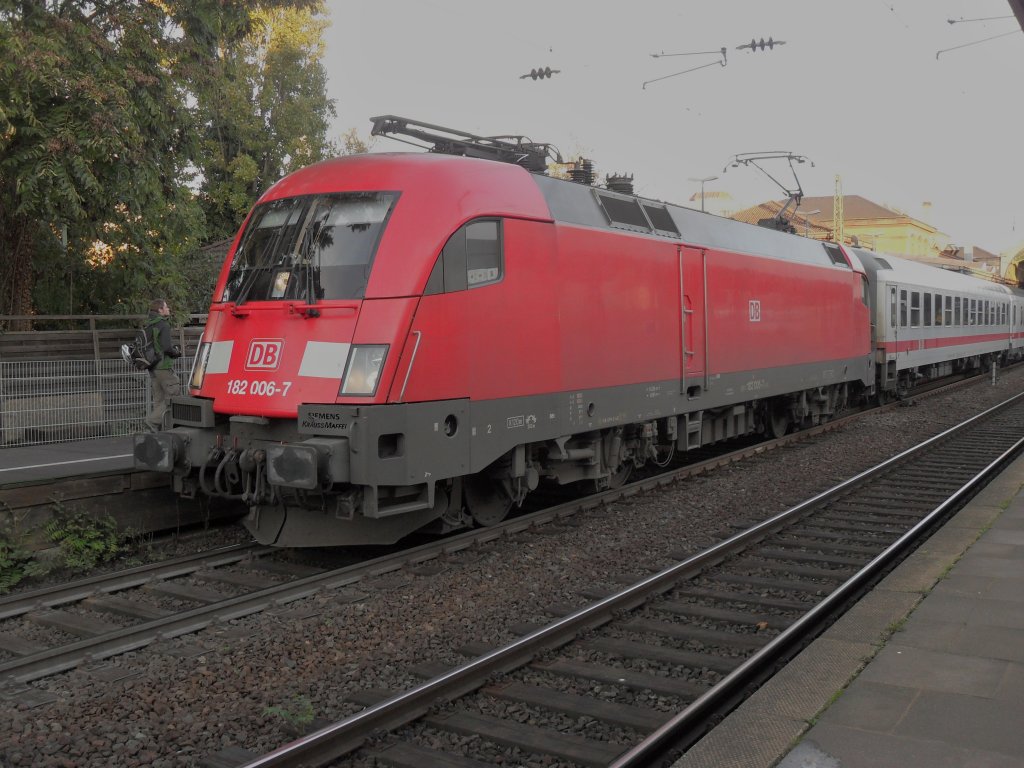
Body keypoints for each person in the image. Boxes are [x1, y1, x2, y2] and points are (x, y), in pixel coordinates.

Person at [144, 298, 182, 432]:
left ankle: (157, 433)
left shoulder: (148, 325)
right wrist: (177, 352)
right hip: (163, 367)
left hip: (152, 368)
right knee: (173, 398)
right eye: (166, 307)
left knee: (159, 401)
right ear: (160, 310)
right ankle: (151, 422)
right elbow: (167, 348)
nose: (168, 309)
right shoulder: (163, 325)